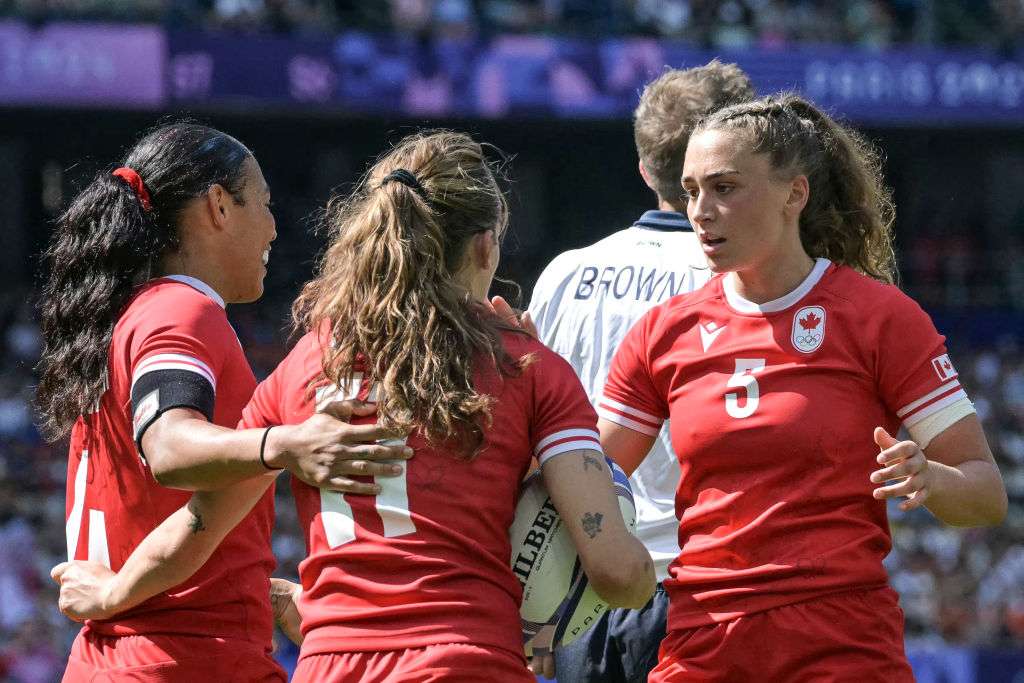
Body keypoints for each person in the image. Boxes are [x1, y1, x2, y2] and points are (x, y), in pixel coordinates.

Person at [50, 130, 656, 682]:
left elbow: (198, 524)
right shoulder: (528, 368)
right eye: (264, 202)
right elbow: (618, 574)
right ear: (485, 246)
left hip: (328, 665)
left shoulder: (305, 363)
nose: (273, 224)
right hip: (464, 659)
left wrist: (114, 594)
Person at [596, 93, 1008, 681]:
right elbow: (589, 476)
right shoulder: (663, 331)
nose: (701, 211)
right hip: (702, 642)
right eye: (690, 191)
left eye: (724, 188)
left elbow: (985, 495)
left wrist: (931, 478)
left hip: (842, 648)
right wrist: (527, 388)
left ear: (794, 195)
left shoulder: (879, 318)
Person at [37, 122, 411, 681]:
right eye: (264, 203)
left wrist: (260, 592)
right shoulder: (180, 310)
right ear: (218, 206)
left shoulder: (131, 316)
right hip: (185, 659)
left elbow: (158, 518)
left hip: (126, 657)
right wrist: (284, 445)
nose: (274, 227)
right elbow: (169, 445)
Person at [526, 60, 753, 682]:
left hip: (586, 586)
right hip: (706, 585)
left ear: (644, 169)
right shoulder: (743, 281)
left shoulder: (565, 273)